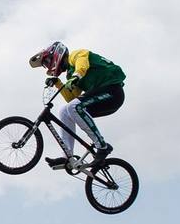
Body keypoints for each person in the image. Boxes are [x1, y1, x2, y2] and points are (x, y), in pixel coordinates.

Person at [29, 42, 125, 170]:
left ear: (57, 54)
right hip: (101, 97)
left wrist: (76, 77)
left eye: (48, 62)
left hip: (112, 91)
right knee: (65, 110)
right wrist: (58, 83)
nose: (49, 66)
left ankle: (102, 146)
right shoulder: (70, 74)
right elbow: (72, 98)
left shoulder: (76, 55)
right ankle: (67, 156)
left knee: (74, 107)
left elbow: (82, 67)